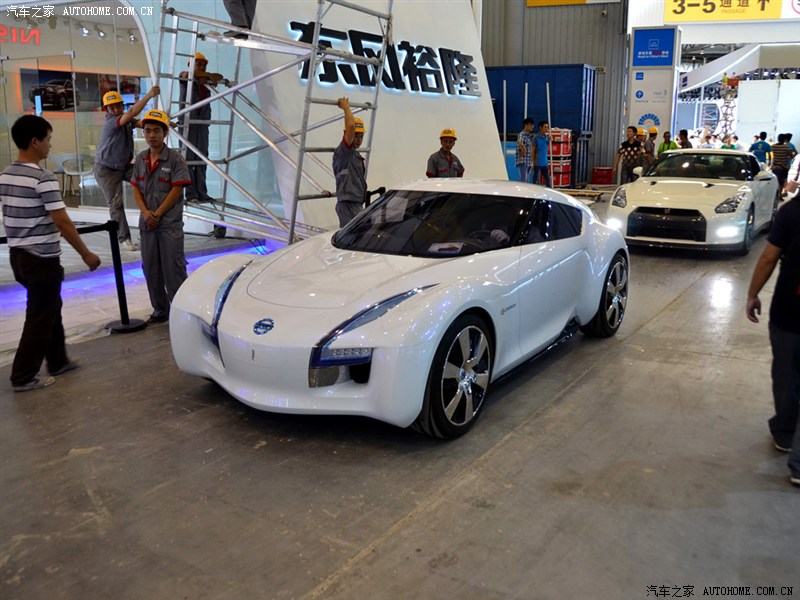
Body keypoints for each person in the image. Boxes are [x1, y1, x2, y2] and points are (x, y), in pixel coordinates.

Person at [0, 115, 101, 392]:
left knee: (50, 307)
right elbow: (62, 221)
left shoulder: (6, 175)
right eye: (48, 139)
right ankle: (23, 375)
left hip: (19, 256)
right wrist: (86, 254)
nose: (50, 145)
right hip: (41, 259)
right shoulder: (42, 178)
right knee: (40, 316)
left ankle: (58, 360)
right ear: (35, 141)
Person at [746, 189, 800, 488]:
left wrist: (752, 294)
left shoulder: (792, 212)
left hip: (790, 312)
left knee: (786, 374)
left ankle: (785, 432)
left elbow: (768, 258)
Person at [130, 110, 191, 324]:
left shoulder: (175, 159)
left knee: (173, 269)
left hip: (168, 226)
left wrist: (157, 213)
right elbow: (135, 188)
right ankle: (160, 310)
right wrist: (146, 213)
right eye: (147, 131)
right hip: (148, 225)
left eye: (156, 131)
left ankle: (183, 314)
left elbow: (177, 189)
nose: (151, 135)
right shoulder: (140, 158)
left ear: (165, 133)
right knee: (150, 268)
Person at [93, 86, 160, 253]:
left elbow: (143, 123)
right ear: (107, 110)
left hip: (123, 167)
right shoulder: (112, 122)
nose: (116, 109)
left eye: (118, 106)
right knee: (116, 204)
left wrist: (162, 123)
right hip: (107, 170)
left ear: (121, 105)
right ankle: (124, 238)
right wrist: (149, 95)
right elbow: (132, 113)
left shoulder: (126, 120)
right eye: (112, 107)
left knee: (149, 182)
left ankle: (147, 228)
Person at [178, 52, 225, 205]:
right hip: (188, 123)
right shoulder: (184, 76)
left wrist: (208, 76)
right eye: (198, 64)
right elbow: (187, 75)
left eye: (204, 65)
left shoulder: (206, 79)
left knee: (202, 159)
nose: (202, 67)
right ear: (190, 64)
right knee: (188, 160)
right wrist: (206, 76)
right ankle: (191, 193)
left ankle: (202, 193)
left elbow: (219, 76)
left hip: (202, 123)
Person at [332, 97, 367, 227]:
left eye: (361, 136)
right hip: (348, 204)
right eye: (356, 136)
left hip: (356, 203)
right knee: (354, 236)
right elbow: (351, 126)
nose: (358, 140)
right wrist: (346, 107)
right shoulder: (344, 152)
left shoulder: (355, 155)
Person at [532, 120, 551, 187]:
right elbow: (533, 150)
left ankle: (549, 190)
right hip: (537, 162)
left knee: (548, 180)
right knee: (535, 179)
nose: (546, 129)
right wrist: (533, 162)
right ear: (540, 127)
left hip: (545, 162)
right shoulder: (536, 137)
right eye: (545, 127)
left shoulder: (546, 138)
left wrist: (549, 141)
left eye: (547, 127)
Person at [515, 117, 534, 183]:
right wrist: (524, 150)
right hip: (523, 161)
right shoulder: (522, 134)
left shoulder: (529, 136)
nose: (532, 127)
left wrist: (532, 162)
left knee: (525, 180)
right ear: (526, 125)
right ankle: (521, 189)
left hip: (528, 161)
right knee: (523, 179)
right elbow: (520, 143)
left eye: (532, 125)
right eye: (530, 125)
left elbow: (531, 149)